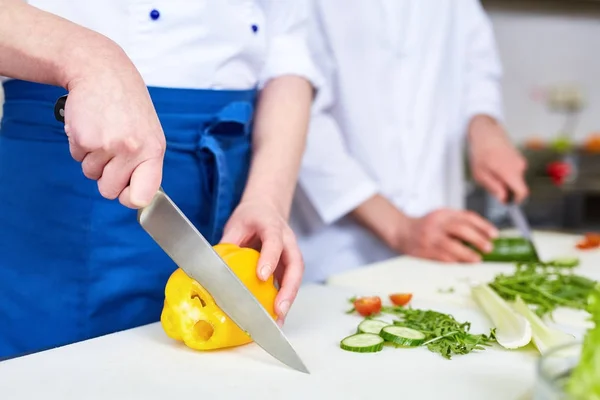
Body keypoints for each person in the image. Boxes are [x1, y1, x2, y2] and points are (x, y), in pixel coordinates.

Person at [0, 0, 319, 358]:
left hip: (232, 187)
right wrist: (89, 59)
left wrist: (267, 196)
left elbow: (287, 59)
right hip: (72, 178)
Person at [291, 0, 528, 282]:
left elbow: (476, 61)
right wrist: (399, 228)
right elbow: (296, 114)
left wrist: (485, 125)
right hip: (336, 253)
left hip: (440, 239)